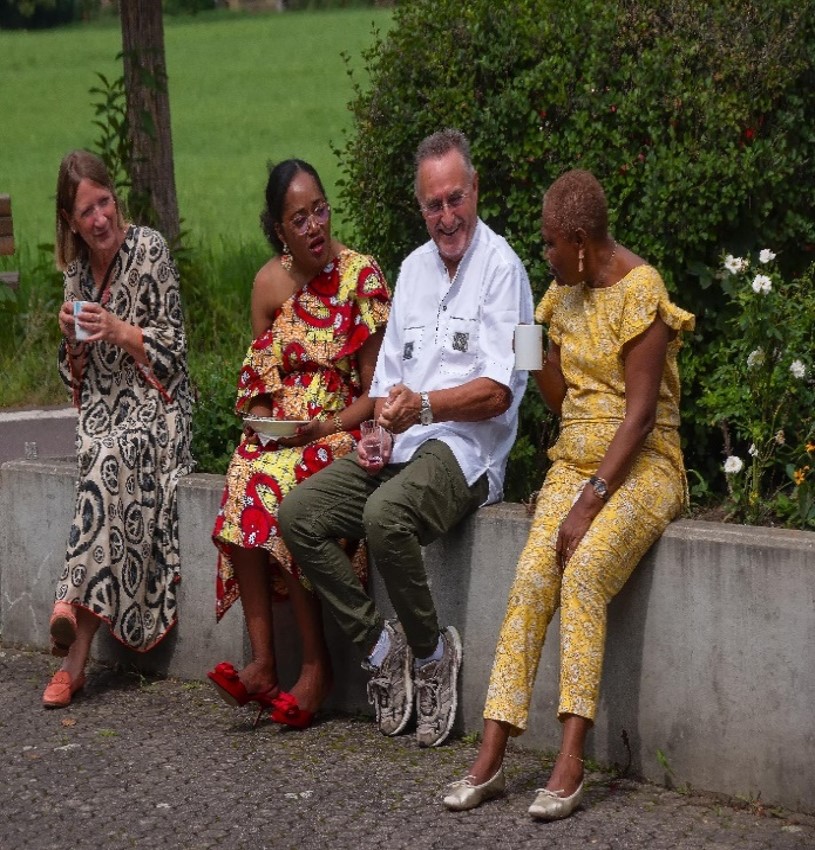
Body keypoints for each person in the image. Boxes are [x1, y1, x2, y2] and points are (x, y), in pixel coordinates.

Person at [442, 169, 695, 818]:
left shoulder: (642, 293)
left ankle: (571, 758)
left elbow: (640, 417)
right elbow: (560, 402)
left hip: (643, 466)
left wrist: (589, 502)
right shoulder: (563, 295)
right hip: (574, 461)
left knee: (581, 573)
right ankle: (491, 754)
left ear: (581, 242)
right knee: (532, 578)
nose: (546, 253)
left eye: (553, 243)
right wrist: (530, 352)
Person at [280, 129, 534, 748]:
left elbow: (498, 393)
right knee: (298, 514)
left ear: (475, 190)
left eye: (455, 199)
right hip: (403, 446)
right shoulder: (414, 269)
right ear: (420, 207)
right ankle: (380, 647)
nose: (446, 217)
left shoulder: (504, 270)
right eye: (433, 205)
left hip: (468, 452)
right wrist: (373, 431)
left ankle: (430, 656)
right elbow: (387, 380)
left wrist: (421, 407)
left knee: (383, 515)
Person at [207, 159, 390, 729]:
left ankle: (317, 666)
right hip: (287, 434)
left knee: (282, 484)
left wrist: (325, 426)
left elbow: (375, 394)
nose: (315, 227)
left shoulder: (361, 276)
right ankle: (264, 663)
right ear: (279, 230)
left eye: (320, 210)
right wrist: (262, 420)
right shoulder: (268, 284)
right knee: (244, 473)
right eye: (299, 219)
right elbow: (261, 381)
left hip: (341, 431)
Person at [45, 150, 193, 709]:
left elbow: (174, 353)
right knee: (104, 460)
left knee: (108, 462)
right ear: (70, 221)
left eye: (104, 203)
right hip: (103, 414)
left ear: (115, 197)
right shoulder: (77, 274)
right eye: (86, 212)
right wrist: (71, 341)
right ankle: (74, 643)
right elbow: (74, 379)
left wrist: (119, 330)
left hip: (158, 409)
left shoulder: (150, 249)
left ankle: (71, 638)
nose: (100, 218)